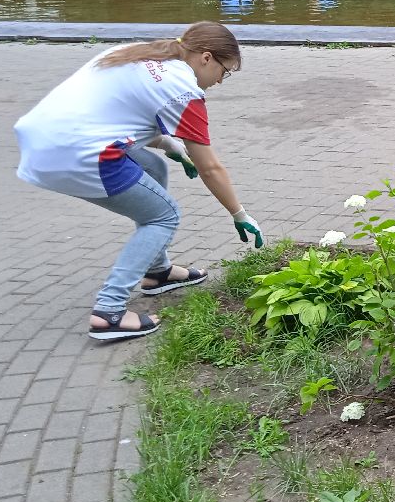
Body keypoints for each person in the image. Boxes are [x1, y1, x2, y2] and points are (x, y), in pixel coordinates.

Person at [14, 22, 264, 342]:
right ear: (205, 57)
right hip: (79, 154)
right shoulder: (184, 90)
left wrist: (165, 143)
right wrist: (239, 213)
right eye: (223, 71)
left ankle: (157, 271)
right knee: (163, 216)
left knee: (154, 170)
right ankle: (109, 312)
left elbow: (112, 110)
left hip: (48, 140)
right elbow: (211, 168)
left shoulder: (132, 54)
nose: (218, 81)